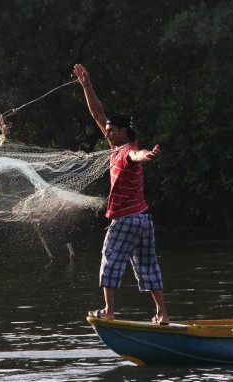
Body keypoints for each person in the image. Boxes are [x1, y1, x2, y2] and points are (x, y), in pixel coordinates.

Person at [73, 63, 169, 325]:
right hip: (144, 219)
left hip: (126, 219)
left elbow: (137, 156)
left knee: (111, 258)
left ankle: (109, 311)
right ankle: (162, 313)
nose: (107, 131)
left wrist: (147, 156)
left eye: (112, 129)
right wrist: (86, 85)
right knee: (148, 266)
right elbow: (98, 112)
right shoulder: (114, 144)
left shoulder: (127, 152)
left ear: (123, 131)